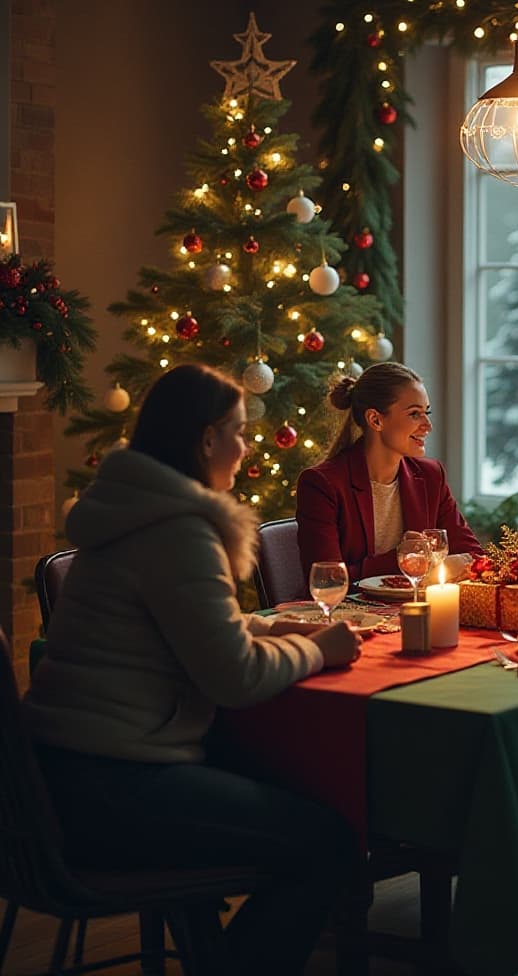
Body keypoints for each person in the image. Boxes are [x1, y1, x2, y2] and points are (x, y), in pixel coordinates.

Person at [23, 364, 363, 976]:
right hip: (117, 786)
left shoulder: (132, 512)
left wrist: (274, 627)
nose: (246, 445)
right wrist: (320, 651)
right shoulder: (179, 532)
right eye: (238, 430)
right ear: (206, 439)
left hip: (54, 777)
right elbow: (234, 677)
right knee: (329, 843)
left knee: (298, 786)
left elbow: (179, 624)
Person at [296, 362, 482, 583]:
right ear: (375, 419)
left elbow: (474, 555)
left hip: (415, 608)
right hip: (350, 615)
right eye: (415, 414)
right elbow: (327, 581)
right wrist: (402, 558)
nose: (428, 425)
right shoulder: (321, 484)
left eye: (426, 412)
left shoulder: (431, 475)